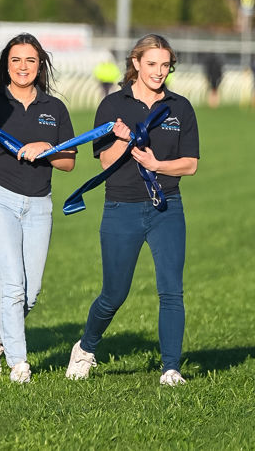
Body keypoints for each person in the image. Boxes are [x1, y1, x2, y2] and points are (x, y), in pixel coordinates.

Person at [65, 34, 199, 387]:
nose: (159, 71)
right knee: (114, 295)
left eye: (165, 65)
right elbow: (105, 161)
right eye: (151, 64)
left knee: (171, 290)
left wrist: (157, 164)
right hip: (121, 207)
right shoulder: (112, 105)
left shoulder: (179, 107)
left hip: (167, 207)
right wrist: (124, 139)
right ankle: (85, 347)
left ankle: (171, 368)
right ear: (136, 63)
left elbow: (190, 165)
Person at [0, 33, 76, 383]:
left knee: (31, 293)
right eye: (15, 60)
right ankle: (18, 364)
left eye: (30, 61)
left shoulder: (54, 109)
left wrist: (46, 148)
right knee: (12, 286)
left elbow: (69, 162)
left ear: (40, 66)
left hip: (39, 205)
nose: (23, 67)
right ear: (5, 65)